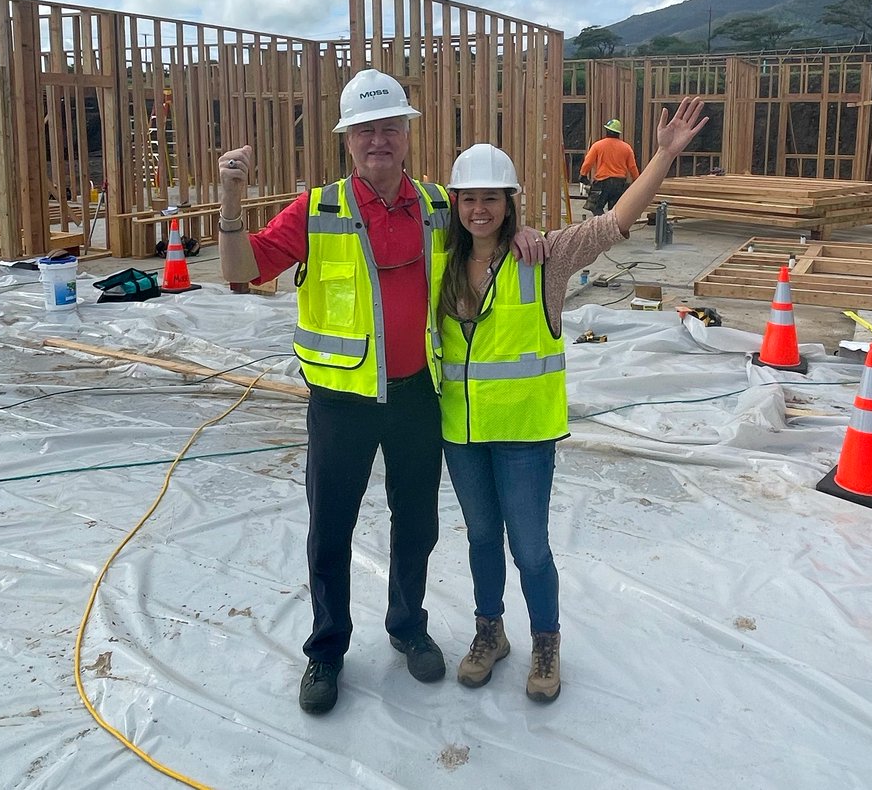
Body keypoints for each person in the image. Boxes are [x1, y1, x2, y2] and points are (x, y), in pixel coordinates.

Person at [217, 69, 546, 715]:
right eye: (366, 130)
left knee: (417, 524)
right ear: (348, 139)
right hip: (342, 402)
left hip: (418, 394)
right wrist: (230, 200)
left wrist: (523, 234)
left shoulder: (434, 204)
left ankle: (407, 626)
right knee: (329, 531)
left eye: (389, 127)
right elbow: (240, 270)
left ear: (406, 133)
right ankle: (326, 652)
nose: (379, 140)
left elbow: (490, 228)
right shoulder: (316, 209)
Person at [436, 96, 707, 703]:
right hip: (462, 433)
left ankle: (546, 643)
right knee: (481, 539)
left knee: (530, 548)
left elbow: (612, 225)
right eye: (468, 199)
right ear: (455, 205)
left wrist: (661, 156)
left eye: (492, 199)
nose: (479, 210)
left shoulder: (547, 259)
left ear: (510, 205)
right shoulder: (441, 261)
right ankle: (489, 634)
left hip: (527, 437)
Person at [579, 118, 641, 216]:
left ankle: (603, 225)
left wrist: (583, 175)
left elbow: (588, 162)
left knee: (595, 207)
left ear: (607, 130)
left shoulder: (598, 145)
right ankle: (613, 228)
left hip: (602, 182)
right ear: (618, 133)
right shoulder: (626, 148)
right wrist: (637, 181)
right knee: (615, 212)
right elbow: (632, 167)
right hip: (619, 184)